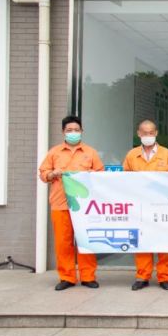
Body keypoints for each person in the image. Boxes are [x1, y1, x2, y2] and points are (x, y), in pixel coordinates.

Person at [39, 116, 104, 291]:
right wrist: (52, 174)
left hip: (85, 206)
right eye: (69, 130)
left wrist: (91, 174)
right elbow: (43, 173)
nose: (73, 133)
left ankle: (88, 276)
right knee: (63, 243)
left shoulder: (91, 152)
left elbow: (101, 174)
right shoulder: (54, 152)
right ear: (63, 132)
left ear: (82, 131)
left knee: (85, 241)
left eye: (76, 130)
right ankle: (67, 277)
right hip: (60, 204)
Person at [122, 120, 168, 291]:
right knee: (142, 240)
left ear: (156, 133)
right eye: (144, 133)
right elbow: (124, 179)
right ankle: (142, 276)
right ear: (139, 133)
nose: (148, 136)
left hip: (161, 204)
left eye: (151, 132)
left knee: (164, 241)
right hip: (140, 205)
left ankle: (164, 276)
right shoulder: (132, 155)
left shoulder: (165, 153)